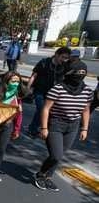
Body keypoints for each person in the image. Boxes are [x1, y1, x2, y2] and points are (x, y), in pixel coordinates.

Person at [34, 61, 93, 192]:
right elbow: (46, 109)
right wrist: (44, 128)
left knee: (61, 154)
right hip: (56, 124)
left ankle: (48, 177)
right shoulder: (58, 89)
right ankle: (40, 174)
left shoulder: (88, 91)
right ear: (70, 73)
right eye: (78, 73)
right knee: (56, 155)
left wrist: (84, 128)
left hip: (73, 126)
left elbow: (86, 110)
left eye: (83, 73)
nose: (80, 76)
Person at [0, 71, 25, 182]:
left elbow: (19, 115)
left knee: (1, 149)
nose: (15, 83)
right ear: (7, 81)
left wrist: (17, 129)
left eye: (18, 81)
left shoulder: (17, 97)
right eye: (13, 81)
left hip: (8, 126)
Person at [27, 47, 71, 137]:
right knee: (41, 109)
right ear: (56, 54)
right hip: (40, 91)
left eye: (66, 58)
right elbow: (34, 75)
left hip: (53, 94)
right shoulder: (44, 62)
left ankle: (37, 127)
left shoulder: (64, 66)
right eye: (62, 57)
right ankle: (33, 129)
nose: (64, 60)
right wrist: (28, 88)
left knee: (46, 111)